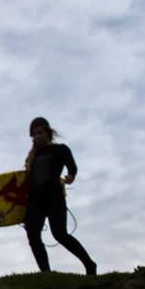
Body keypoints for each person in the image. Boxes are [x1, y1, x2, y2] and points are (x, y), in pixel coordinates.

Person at [23, 117, 96, 276]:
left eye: (40, 132)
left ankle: (90, 264)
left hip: (53, 196)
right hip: (36, 200)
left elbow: (72, 167)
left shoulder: (60, 149)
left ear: (48, 132)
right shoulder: (33, 157)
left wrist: (70, 176)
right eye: (34, 134)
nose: (38, 136)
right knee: (33, 235)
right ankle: (46, 274)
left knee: (60, 234)